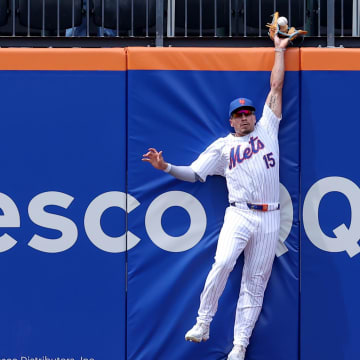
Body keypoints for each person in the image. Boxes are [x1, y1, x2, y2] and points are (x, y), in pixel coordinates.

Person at [142, 34, 290, 360]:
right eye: (239, 115)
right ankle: (203, 322)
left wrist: (279, 50)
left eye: (248, 112)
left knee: (255, 283)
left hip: (269, 217)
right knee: (221, 263)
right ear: (231, 121)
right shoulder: (223, 147)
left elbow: (276, 88)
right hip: (238, 213)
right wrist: (165, 166)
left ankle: (239, 347)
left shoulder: (267, 127)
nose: (245, 117)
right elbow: (195, 173)